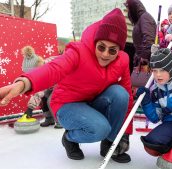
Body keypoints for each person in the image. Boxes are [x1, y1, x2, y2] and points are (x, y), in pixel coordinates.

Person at [0, 8, 134, 163]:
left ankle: (111, 144)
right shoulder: (78, 52)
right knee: (100, 128)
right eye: (101, 47)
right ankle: (70, 138)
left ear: (119, 51)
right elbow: (53, 69)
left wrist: (124, 133)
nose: (105, 54)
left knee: (120, 93)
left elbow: (128, 98)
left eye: (112, 50)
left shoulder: (123, 60)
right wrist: (25, 82)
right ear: (95, 42)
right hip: (66, 105)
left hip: (91, 103)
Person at [21, 46, 62, 128]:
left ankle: (60, 121)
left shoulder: (50, 67)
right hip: (51, 86)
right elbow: (39, 92)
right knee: (43, 98)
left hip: (63, 85)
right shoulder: (40, 72)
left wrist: (30, 108)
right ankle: (49, 119)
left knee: (51, 100)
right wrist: (30, 108)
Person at [124, 0, 156, 72]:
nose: (128, 12)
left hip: (145, 61)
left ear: (133, 8)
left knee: (143, 82)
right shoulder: (139, 20)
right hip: (140, 59)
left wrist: (144, 60)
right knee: (139, 81)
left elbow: (149, 39)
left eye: (129, 9)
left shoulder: (145, 17)